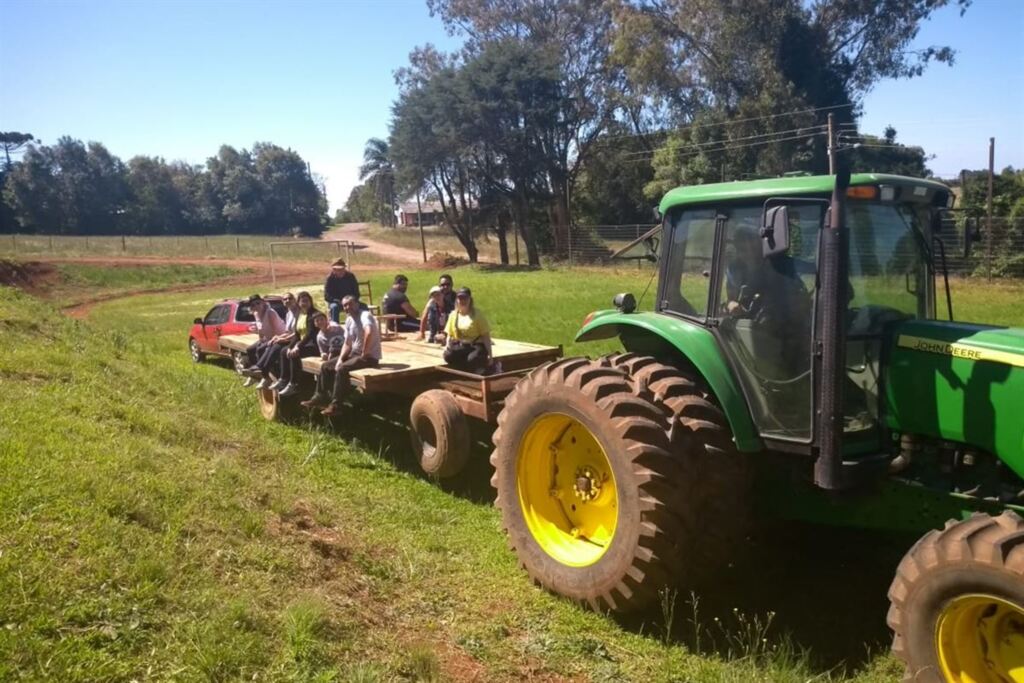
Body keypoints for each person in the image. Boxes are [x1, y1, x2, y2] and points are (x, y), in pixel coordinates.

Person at [319, 295, 382, 416]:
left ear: (357, 304)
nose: (347, 307)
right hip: (354, 354)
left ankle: (336, 406)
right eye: (345, 305)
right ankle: (321, 397)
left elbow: (369, 332)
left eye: (350, 304)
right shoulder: (349, 320)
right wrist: (340, 359)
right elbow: (347, 343)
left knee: (342, 369)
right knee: (326, 366)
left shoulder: (365, 315)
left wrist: (365, 352)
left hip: (369, 357)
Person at [272, 291, 320, 397]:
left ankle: (294, 384)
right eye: (302, 301)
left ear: (311, 302)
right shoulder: (301, 315)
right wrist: (290, 346)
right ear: (298, 303)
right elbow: (297, 334)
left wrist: (297, 346)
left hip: (314, 345)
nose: (304, 303)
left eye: (307, 301)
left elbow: (310, 334)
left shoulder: (314, 314)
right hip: (304, 343)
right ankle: (283, 379)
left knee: (294, 354)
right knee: (284, 351)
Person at [253, 292, 299, 389]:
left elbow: (297, 333)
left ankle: (263, 369)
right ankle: (262, 371)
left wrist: (280, 338)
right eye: (285, 299)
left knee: (277, 347)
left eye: (290, 298)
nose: (287, 301)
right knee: (264, 346)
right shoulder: (288, 314)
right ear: (282, 302)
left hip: (296, 340)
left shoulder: (298, 313)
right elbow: (287, 331)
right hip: (287, 337)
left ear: (295, 300)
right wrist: (277, 337)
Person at [443, 287, 492, 373]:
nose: (463, 301)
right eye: (460, 298)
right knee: (448, 355)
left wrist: (490, 355)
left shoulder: (477, 315)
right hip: (461, 345)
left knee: (472, 359)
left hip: (475, 346)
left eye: (465, 298)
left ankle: (483, 369)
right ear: (457, 300)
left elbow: (486, 336)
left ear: (470, 299)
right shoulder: (453, 315)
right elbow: (449, 334)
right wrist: (447, 347)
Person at [240, 294, 286, 387]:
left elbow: (275, 331)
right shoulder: (256, 314)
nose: (256, 306)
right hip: (268, 337)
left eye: (258, 303)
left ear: (263, 302)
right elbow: (260, 330)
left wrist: (267, 343)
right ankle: (255, 375)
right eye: (253, 305)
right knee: (250, 349)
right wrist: (260, 340)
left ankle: (264, 376)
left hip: (279, 337)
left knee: (260, 349)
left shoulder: (270, 313)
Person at [324, 258, 359, 323]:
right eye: (336, 269)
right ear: (333, 269)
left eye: (341, 269)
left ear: (344, 268)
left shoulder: (351, 276)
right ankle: (335, 326)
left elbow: (356, 292)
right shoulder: (330, 279)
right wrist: (336, 301)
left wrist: (352, 300)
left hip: (350, 301)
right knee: (334, 307)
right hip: (336, 303)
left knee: (363, 306)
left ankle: (361, 325)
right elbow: (326, 296)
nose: (339, 271)